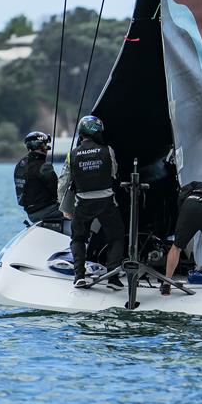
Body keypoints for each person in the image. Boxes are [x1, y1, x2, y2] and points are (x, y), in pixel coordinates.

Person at [68, 115, 125, 290]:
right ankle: (113, 279)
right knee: (116, 237)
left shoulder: (73, 154)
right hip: (106, 201)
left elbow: (64, 180)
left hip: (83, 202)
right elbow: (114, 172)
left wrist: (65, 207)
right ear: (96, 132)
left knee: (78, 238)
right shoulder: (107, 150)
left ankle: (79, 277)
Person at [14, 131, 64, 223]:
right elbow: (58, 191)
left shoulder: (20, 164)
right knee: (79, 211)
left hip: (31, 214)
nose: (47, 148)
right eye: (45, 145)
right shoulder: (44, 166)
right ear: (42, 146)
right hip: (48, 212)